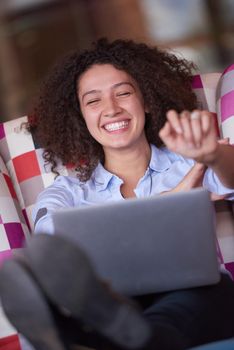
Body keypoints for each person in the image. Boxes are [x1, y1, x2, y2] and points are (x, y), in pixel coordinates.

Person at [1, 38, 234, 350]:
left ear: (147, 100)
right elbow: (50, 248)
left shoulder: (192, 159)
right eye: (93, 101)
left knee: (211, 291)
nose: (111, 109)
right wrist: (174, 197)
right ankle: (134, 335)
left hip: (200, 298)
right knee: (125, 312)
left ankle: (95, 337)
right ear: (81, 116)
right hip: (118, 301)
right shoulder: (67, 193)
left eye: (123, 93)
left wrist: (212, 156)